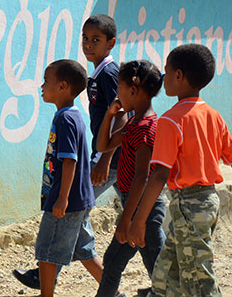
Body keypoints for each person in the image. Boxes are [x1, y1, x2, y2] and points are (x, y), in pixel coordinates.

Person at [127, 44, 232, 296]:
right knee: (164, 278)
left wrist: (139, 220)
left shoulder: (171, 120)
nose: (163, 78)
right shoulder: (213, 116)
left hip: (189, 207)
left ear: (179, 76)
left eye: (166, 71)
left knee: (199, 281)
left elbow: (159, 174)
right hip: (207, 202)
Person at [14, 14, 124, 290]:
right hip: (95, 169)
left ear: (110, 44)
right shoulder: (82, 99)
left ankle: (45, 276)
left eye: (95, 40)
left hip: (105, 164)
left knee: (59, 235)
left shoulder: (107, 76)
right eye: (85, 39)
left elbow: (120, 115)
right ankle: (112, 290)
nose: (88, 45)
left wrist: (104, 159)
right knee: (79, 239)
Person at [94, 60, 166, 297]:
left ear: (133, 90)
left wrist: (128, 220)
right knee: (119, 262)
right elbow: (103, 145)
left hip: (144, 211)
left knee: (160, 270)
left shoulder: (146, 129)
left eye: (119, 88)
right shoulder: (133, 123)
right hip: (134, 207)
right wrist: (109, 115)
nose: (117, 93)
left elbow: (141, 178)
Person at [35, 59, 101, 297]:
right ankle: (111, 290)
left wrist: (61, 198)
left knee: (46, 250)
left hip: (67, 200)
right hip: (80, 199)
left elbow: (69, 160)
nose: (42, 86)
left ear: (63, 86)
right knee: (84, 249)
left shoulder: (65, 119)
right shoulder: (73, 116)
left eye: (47, 81)